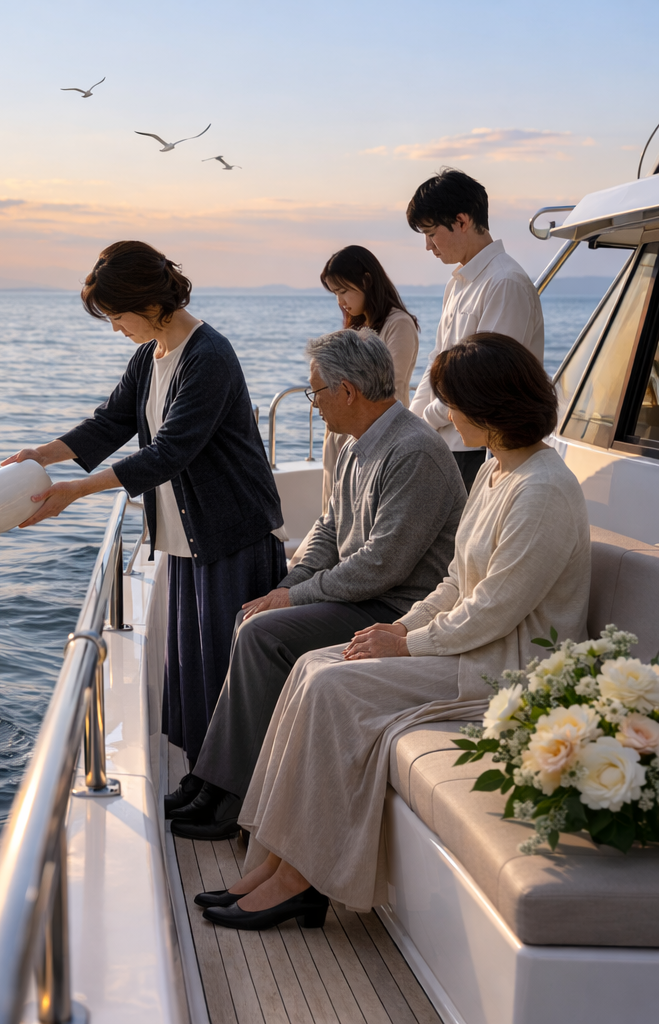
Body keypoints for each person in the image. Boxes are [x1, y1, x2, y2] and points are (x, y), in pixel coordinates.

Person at [197, 333, 589, 932]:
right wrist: (399, 627)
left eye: (452, 401)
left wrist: (405, 644)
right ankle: (276, 859)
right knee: (312, 668)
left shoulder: (543, 491)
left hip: (504, 668)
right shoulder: (497, 470)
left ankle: (303, 879)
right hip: (467, 645)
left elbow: (492, 610)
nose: (444, 414)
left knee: (333, 688)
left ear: (489, 406)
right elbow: (458, 582)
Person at [2, 240, 285, 779]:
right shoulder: (150, 354)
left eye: (116, 315)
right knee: (193, 673)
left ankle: (234, 795)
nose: (114, 327)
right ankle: (206, 781)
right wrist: (45, 453)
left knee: (228, 675)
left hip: (231, 534)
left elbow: (169, 453)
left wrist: (73, 492)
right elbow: (111, 422)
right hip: (185, 538)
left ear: (148, 301)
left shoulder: (208, 356)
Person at [167, 329, 465, 840]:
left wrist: (292, 596)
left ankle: (228, 795)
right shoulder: (358, 443)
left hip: (396, 609)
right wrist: (287, 586)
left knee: (264, 634)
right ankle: (218, 781)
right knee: (254, 616)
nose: (313, 404)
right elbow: (329, 530)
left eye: (316, 391)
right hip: (366, 595)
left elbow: (381, 566)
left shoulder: (414, 450)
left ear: (347, 391)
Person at [407, 168, 545, 490]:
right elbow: (436, 363)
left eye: (431, 233)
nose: (428, 246)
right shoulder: (457, 285)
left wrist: (423, 423)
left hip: (482, 449)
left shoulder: (505, 283)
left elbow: (481, 382)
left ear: (462, 221)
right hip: (447, 442)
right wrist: (412, 424)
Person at [316, 246, 419, 509]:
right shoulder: (359, 327)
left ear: (366, 280)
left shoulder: (398, 324)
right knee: (335, 518)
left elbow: (387, 389)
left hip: (377, 442)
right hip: (346, 439)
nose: (340, 301)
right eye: (335, 293)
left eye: (343, 290)